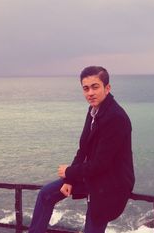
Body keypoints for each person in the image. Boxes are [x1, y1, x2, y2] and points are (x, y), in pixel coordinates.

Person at [28, 66, 135, 233]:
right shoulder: (94, 111)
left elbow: (101, 164)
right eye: (86, 88)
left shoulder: (116, 118)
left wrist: (69, 172)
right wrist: (69, 179)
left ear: (107, 88)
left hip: (110, 183)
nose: (90, 93)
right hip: (93, 176)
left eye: (95, 87)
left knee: (93, 225)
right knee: (46, 194)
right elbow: (83, 149)